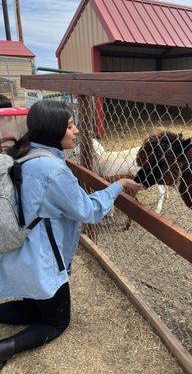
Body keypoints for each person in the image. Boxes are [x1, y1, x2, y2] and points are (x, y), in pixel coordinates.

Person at [0, 100, 142, 369]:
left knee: (33, 308)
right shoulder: (53, 170)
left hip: (19, 253)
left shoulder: (22, 152)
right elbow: (88, 210)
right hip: (40, 259)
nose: (76, 131)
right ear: (54, 130)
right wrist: (118, 185)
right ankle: (5, 348)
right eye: (70, 126)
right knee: (56, 322)